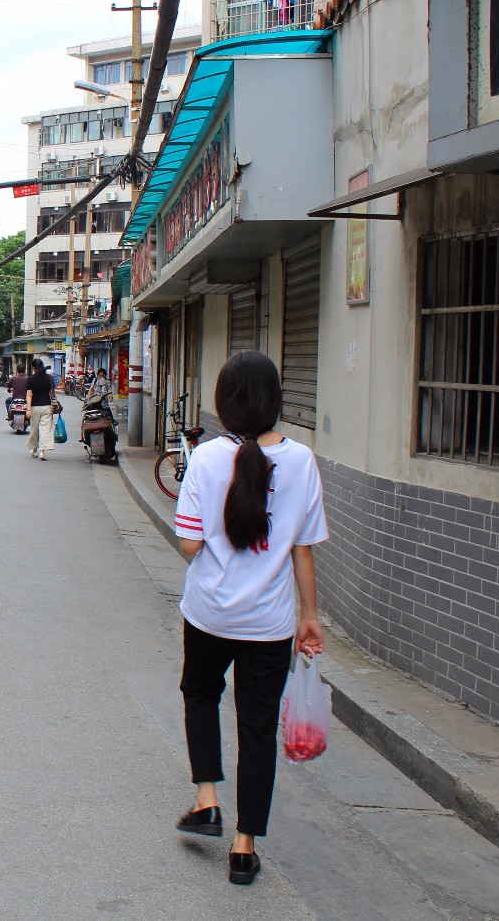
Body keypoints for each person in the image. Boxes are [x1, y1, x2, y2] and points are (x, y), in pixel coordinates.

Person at [172, 351, 328, 888]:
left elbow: (191, 542)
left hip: (210, 613)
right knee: (258, 728)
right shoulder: (303, 461)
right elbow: (302, 550)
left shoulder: (207, 458)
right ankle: (245, 847)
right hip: (270, 623)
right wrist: (310, 617)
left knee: (200, 695)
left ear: (225, 400)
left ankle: (207, 801)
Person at [22, 358, 58, 460]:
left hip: (34, 407)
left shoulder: (31, 379)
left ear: (33, 368)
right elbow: (53, 393)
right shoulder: (49, 378)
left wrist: (28, 409)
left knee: (34, 429)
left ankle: (34, 450)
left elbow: (29, 395)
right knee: (45, 429)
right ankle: (42, 451)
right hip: (47, 407)